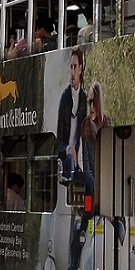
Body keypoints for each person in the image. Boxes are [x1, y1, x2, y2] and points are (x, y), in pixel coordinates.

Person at [57, 47, 86, 180]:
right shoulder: (65, 97)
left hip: (79, 156)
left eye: (75, 67)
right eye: (71, 67)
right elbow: (59, 135)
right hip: (66, 154)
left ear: (80, 69)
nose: (72, 72)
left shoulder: (84, 98)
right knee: (69, 163)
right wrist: (68, 149)